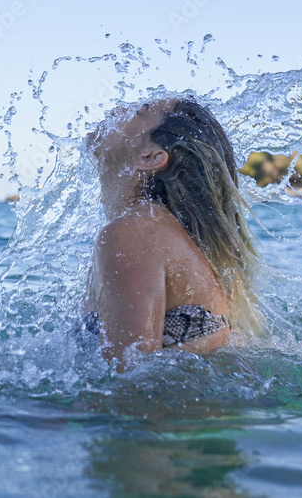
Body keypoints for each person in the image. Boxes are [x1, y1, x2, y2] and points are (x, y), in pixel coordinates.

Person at [79, 97, 263, 370]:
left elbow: (127, 386)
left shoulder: (132, 234)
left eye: (139, 112)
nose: (118, 108)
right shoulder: (157, 232)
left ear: (151, 157)